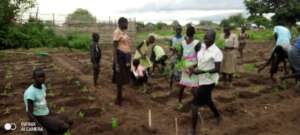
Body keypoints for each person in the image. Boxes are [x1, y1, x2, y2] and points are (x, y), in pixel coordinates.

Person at [189, 29, 223, 135]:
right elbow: (200, 61)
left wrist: (200, 72)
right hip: (201, 78)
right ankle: (218, 116)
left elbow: (217, 69)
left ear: (213, 39)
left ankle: (193, 130)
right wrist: (193, 67)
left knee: (194, 104)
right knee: (207, 100)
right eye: (204, 37)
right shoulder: (203, 47)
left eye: (207, 38)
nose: (205, 39)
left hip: (210, 80)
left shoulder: (217, 52)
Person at [24, 68, 71, 135]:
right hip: (39, 117)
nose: (41, 79)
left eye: (43, 76)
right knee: (64, 127)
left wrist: (51, 113)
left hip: (47, 113)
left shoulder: (43, 86)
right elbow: (30, 113)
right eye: (39, 77)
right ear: (34, 78)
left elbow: (43, 101)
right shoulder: (31, 93)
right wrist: (39, 127)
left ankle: (50, 128)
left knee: (69, 121)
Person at [177, 26, 200, 103]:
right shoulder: (197, 43)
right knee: (195, 85)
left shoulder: (183, 43)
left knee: (183, 84)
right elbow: (199, 57)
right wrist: (193, 68)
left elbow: (181, 56)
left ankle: (179, 102)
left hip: (185, 65)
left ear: (186, 33)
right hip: (193, 66)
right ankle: (196, 103)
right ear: (194, 33)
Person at [112, 17, 132, 106]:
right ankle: (118, 100)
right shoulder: (117, 32)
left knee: (123, 79)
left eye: (127, 23)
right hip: (119, 58)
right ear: (120, 23)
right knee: (119, 80)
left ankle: (120, 97)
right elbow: (114, 48)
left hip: (125, 59)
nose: (127, 25)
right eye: (126, 23)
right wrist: (116, 63)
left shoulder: (123, 33)